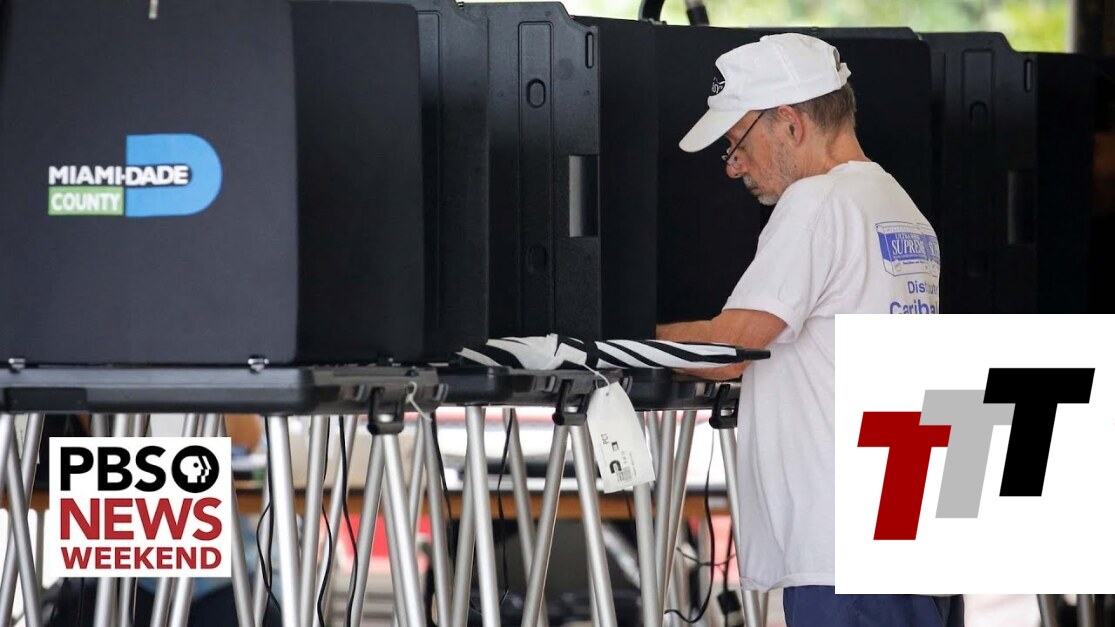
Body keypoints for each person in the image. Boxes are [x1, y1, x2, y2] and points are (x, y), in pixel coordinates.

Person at [656, 33, 952, 626]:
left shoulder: (817, 203)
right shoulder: (900, 207)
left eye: (738, 142)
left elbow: (730, 348)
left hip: (840, 551)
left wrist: (621, 340)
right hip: (908, 530)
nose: (734, 165)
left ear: (790, 124)